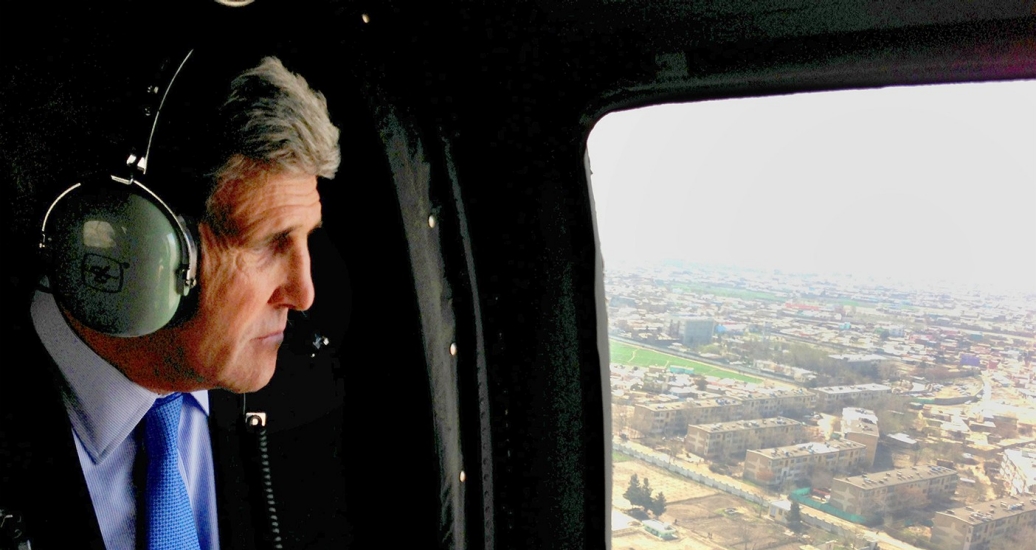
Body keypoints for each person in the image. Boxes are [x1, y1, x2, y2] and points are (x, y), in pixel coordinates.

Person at [0, 55, 344, 550]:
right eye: (269, 243)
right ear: (134, 246)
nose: (303, 292)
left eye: (306, 238)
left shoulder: (313, 409)